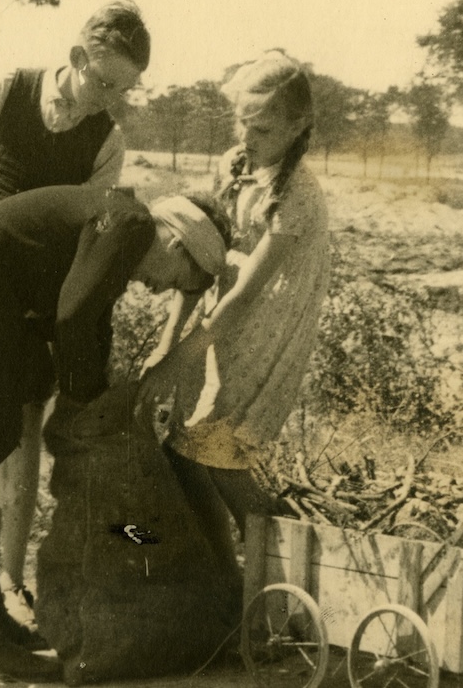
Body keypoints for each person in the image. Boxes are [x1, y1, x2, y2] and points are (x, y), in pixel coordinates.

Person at [0, 186, 230, 681]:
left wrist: (91, 391)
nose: (161, 291)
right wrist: (87, 404)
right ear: (179, 244)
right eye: (182, 280)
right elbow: (74, 320)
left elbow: (88, 315)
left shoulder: (116, 218)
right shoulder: (131, 226)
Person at [0, 0, 150, 631]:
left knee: (21, 432)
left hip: (33, 298)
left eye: (122, 90)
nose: (106, 99)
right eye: (101, 82)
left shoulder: (108, 140)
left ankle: (9, 582)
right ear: (75, 59)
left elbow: (87, 236)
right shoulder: (8, 88)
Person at [138, 49, 330, 586]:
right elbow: (200, 260)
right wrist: (168, 340)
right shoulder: (233, 165)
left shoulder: (298, 196)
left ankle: (287, 585)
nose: (247, 138)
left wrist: (182, 358)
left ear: (298, 126)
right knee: (185, 447)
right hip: (214, 321)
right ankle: (223, 579)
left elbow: (249, 291)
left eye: (263, 129)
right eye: (242, 123)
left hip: (266, 329)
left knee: (222, 450)